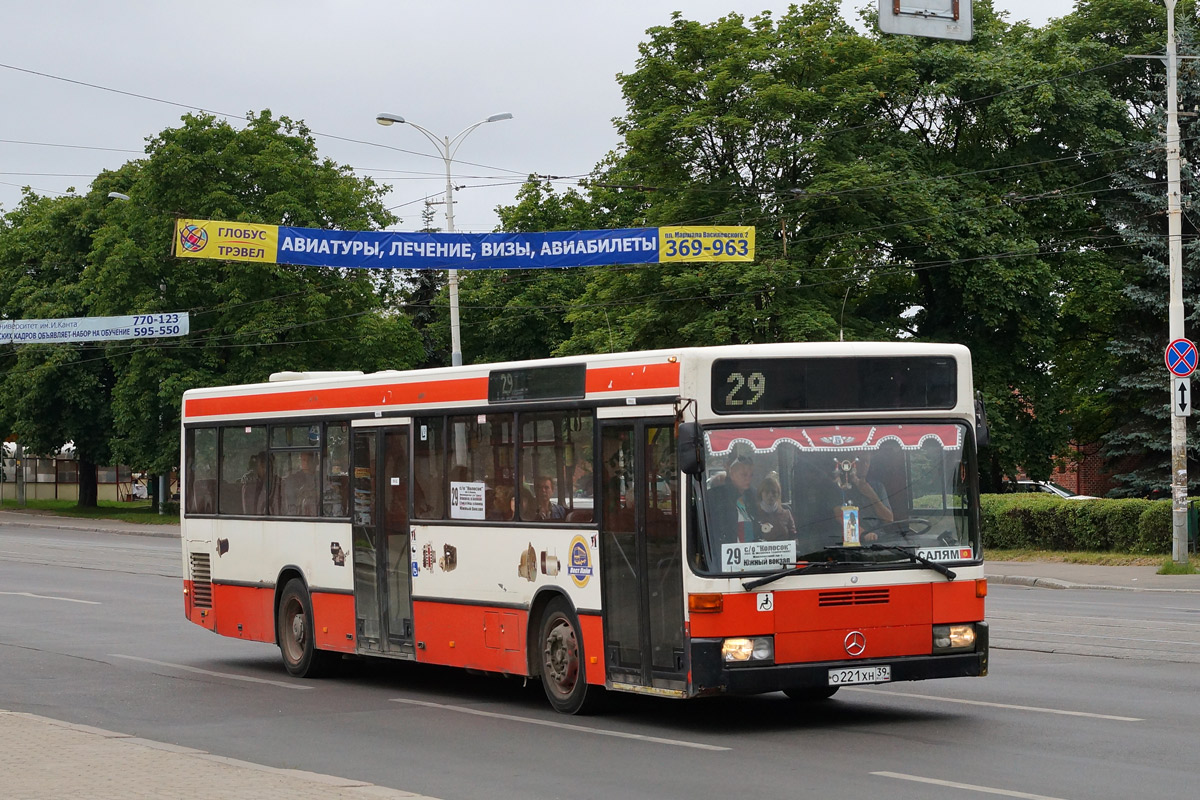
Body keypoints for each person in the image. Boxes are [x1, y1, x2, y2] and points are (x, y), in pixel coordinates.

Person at [833, 452, 893, 541]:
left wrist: (871, 494)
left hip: (878, 541)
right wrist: (864, 534)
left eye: (867, 462)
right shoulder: (840, 486)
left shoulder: (877, 487)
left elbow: (889, 519)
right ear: (850, 462)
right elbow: (839, 516)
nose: (864, 465)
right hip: (849, 542)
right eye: (860, 461)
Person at [705, 454, 756, 544]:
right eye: (744, 475)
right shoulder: (717, 497)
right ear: (731, 474)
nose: (748, 479)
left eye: (751, 475)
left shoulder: (753, 497)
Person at [755, 472, 796, 540]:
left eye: (774, 492)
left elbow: (794, 538)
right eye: (767, 492)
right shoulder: (753, 514)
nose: (770, 495)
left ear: (778, 494)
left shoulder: (787, 514)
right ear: (761, 493)